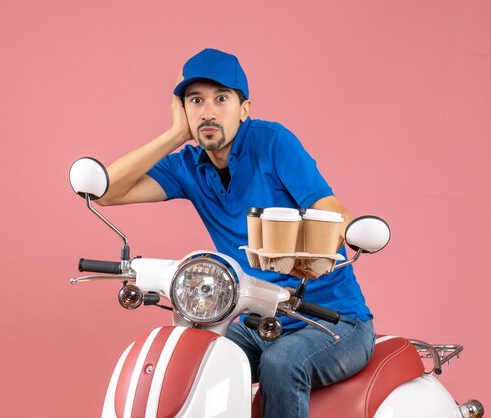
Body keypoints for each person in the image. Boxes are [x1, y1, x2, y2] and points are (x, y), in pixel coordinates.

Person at [96, 48, 375, 418]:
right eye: (196, 101)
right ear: (183, 109)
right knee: (191, 355)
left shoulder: (272, 142)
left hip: (334, 320)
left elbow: (333, 211)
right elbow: (106, 192)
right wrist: (176, 134)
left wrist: (307, 252)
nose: (208, 112)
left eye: (221, 99)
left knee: (281, 362)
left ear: (244, 108)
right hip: (259, 321)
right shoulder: (188, 165)